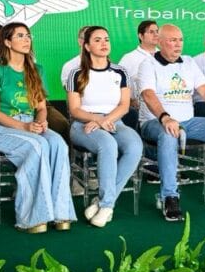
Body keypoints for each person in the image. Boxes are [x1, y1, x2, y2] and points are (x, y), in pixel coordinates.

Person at [138, 24, 205, 221]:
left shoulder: (188, 62)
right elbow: (148, 94)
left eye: (180, 40)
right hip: (155, 121)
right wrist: (165, 117)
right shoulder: (148, 64)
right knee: (169, 134)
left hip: (189, 121)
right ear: (159, 42)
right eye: (172, 40)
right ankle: (169, 196)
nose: (178, 45)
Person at [0, 22, 76, 232]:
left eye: (28, 35)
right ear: (7, 42)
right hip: (1, 128)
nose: (27, 40)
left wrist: (42, 120)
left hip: (31, 124)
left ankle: (61, 213)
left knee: (59, 144)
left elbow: (41, 107)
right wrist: (24, 127)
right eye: (20, 36)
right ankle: (32, 217)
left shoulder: (36, 69)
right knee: (38, 146)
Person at [65, 26, 143, 227]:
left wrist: (107, 120)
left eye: (106, 39)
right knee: (107, 144)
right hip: (84, 124)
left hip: (114, 120)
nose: (103, 44)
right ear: (87, 46)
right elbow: (74, 109)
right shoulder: (76, 73)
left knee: (135, 145)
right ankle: (108, 204)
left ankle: (103, 202)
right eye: (97, 40)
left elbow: (124, 105)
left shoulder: (119, 71)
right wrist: (97, 119)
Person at [117, 20, 160, 127]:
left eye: (157, 31)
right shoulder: (129, 58)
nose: (156, 35)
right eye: (151, 32)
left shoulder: (165, 57)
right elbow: (117, 85)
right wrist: (129, 101)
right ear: (141, 36)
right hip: (139, 111)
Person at [59, 26, 91, 90]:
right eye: (87, 39)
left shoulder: (109, 67)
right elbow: (71, 92)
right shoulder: (69, 66)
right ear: (80, 41)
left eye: (96, 40)